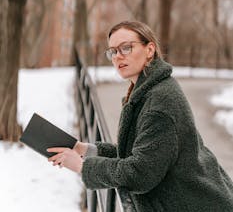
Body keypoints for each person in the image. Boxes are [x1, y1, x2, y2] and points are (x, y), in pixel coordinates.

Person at [47, 20, 233, 211]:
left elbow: (140, 174)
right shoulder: (147, 90)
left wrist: (82, 167)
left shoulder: (160, 103)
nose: (118, 57)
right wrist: (84, 149)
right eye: (113, 51)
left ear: (149, 49)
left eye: (126, 48)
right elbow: (140, 152)